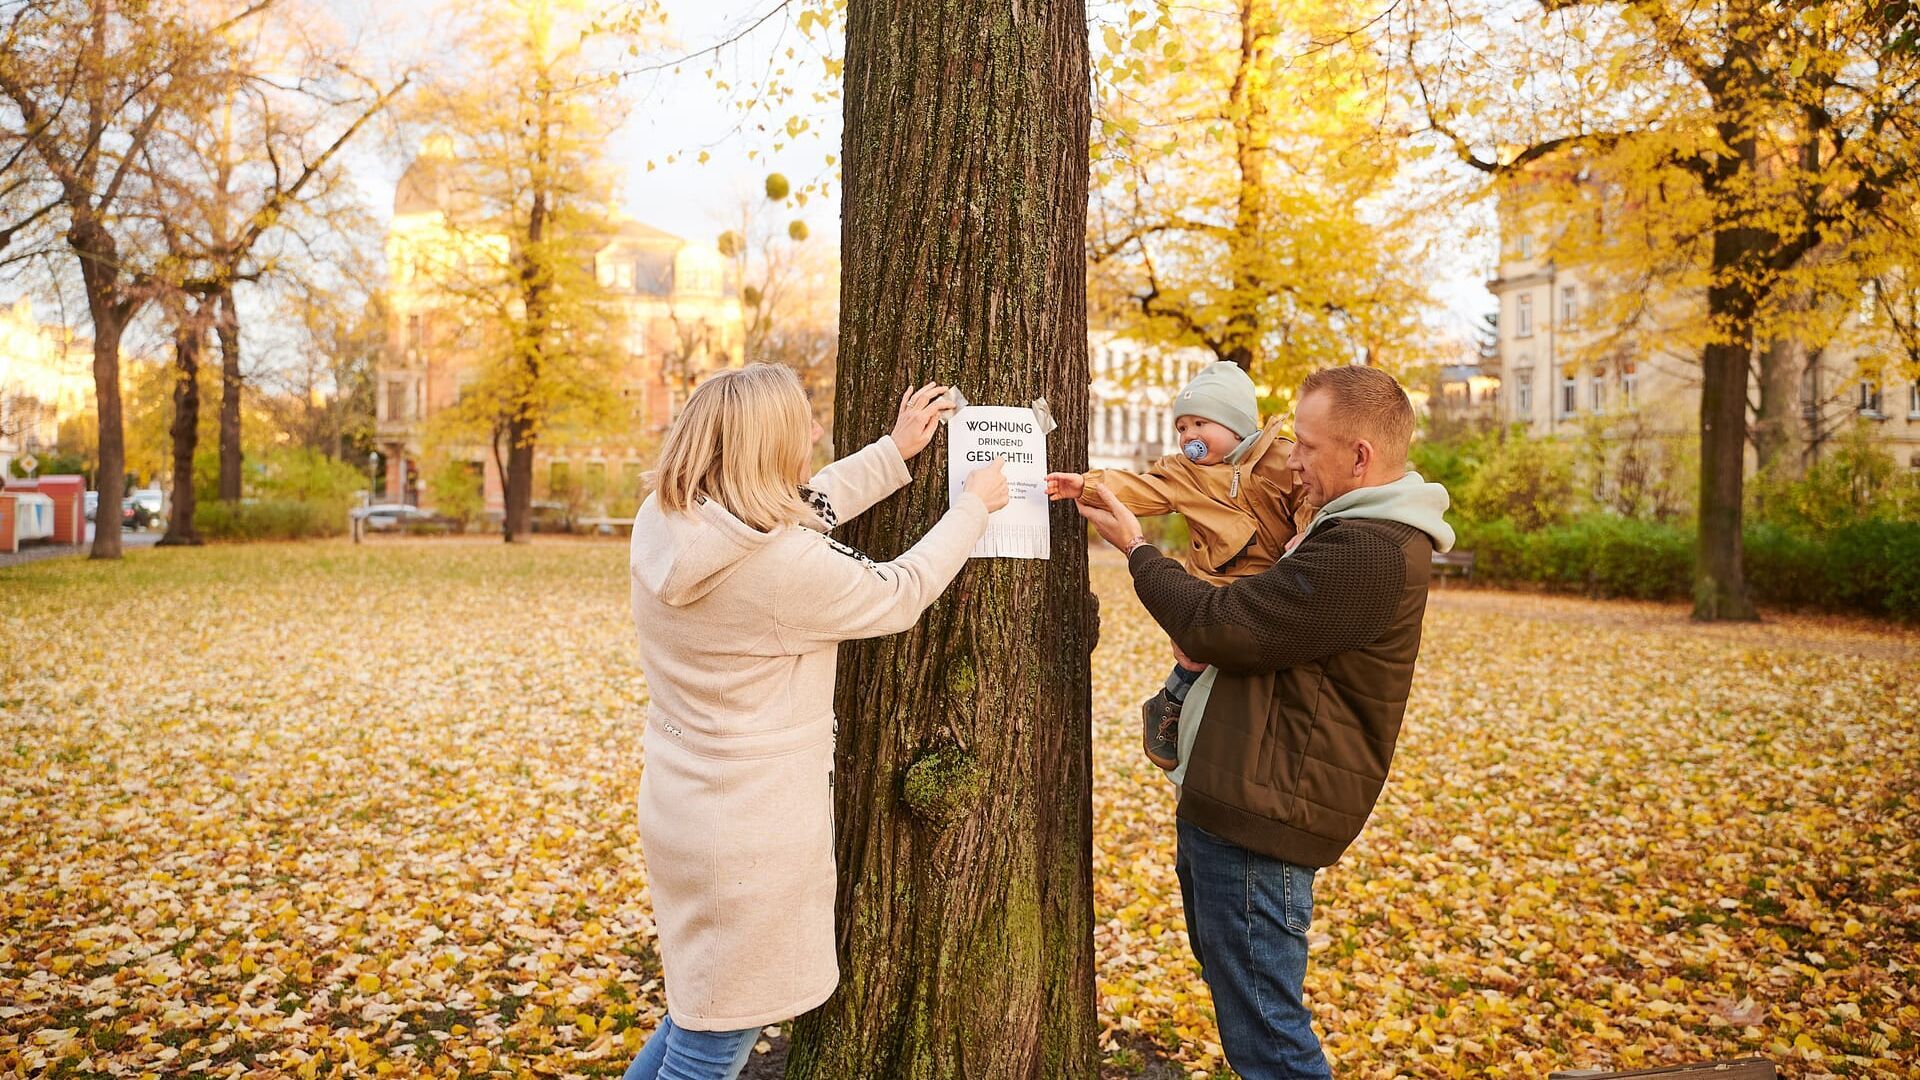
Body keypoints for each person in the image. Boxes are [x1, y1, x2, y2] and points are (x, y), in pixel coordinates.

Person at [624, 365, 1009, 1080]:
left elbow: (793, 508)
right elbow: (899, 593)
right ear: (767, 444)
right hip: (746, 834)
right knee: (713, 1044)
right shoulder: (779, 570)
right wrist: (973, 509)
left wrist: (893, 454)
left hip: (683, 806)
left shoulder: (672, 519)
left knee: (698, 1010)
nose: (812, 433)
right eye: (801, 423)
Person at [1074, 365, 1454, 1079]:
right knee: (1250, 1012)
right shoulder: (1344, 530)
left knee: (1269, 1038)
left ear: (1360, 457)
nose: (1294, 460)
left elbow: (1222, 625)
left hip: (1263, 815)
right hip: (1240, 800)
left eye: (1306, 447)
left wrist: (1137, 548)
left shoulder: (1367, 551)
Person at [1043, 360, 1308, 772]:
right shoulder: (1186, 474)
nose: (1189, 437)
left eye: (1201, 424)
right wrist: (1088, 485)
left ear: (1236, 424)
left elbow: (1309, 495)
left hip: (1271, 579)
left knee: (1258, 662)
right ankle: (1171, 702)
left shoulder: (1280, 459)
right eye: (1182, 428)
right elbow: (1140, 488)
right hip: (1214, 581)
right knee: (1197, 653)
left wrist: (1305, 532)